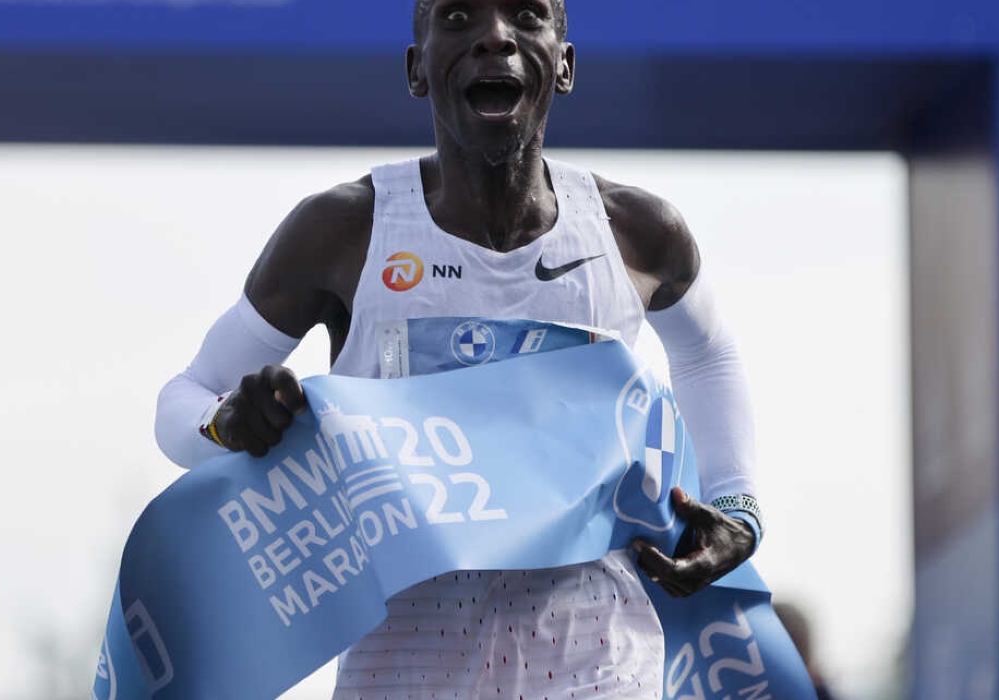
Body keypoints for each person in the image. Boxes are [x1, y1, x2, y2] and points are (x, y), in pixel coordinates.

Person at [155, 1, 762, 697]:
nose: (495, 36)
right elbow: (184, 402)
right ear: (418, 69)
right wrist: (229, 424)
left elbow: (709, 356)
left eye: (529, 15)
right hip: (406, 664)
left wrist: (738, 506)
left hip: (597, 658)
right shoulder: (345, 231)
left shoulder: (636, 233)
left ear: (564, 65)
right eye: (458, 16)